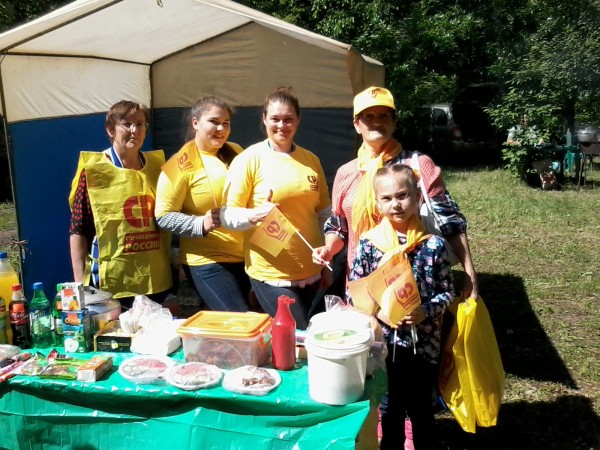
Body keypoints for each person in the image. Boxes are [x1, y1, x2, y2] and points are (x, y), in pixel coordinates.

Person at [313, 86, 478, 300]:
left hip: (414, 284)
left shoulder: (418, 165)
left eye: (384, 115)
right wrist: (328, 249)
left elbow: (451, 223)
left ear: (394, 122)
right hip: (362, 282)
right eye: (368, 116)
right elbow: (339, 227)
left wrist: (470, 275)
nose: (377, 121)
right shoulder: (345, 173)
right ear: (357, 124)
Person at [347, 163, 454, 450]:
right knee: (389, 408)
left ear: (418, 196)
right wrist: (380, 313)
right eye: (387, 198)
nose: (396, 204)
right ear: (377, 202)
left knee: (422, 411)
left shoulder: (433, 246)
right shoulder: (370, 245)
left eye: (403, 195)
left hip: (425, 347)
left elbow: (447, 292)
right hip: (384, 348)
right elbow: (354, 292)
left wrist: (424, 312)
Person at [220, 87, 331, 330]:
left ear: (298, 120)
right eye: (275, 119)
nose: (282, 125)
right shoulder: (249, 160)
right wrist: (254, 214)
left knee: (311, 338)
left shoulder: (311, 160)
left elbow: (324, 213)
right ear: (264, 119)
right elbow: (227, 216)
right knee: (296, 336)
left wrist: (327, 258)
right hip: (271, 274)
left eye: (288, 119)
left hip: (312, 271)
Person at [69, 100, 172, 303]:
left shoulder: (159, 167)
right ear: (110, 129)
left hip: (156, 279)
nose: (134, 130)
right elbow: (78, 229)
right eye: (126, 124)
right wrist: (79, 284)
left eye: (140, 124)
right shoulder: (95, 170)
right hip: (111, 282)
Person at [154, 96, 250, 312]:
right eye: (214, 121)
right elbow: (163, 216)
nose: (221, 128)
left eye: (226, 123)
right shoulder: (180, 163)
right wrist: (200, 224)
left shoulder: (237, 151)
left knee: (251, 322)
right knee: (238, 320)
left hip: (247, 256)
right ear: (195, 123)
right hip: (207, 261)